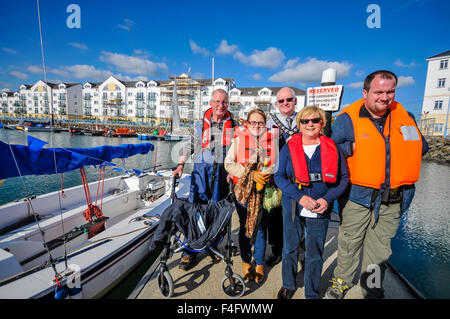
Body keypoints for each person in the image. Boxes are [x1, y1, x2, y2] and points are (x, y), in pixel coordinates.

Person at [326, 70, 429, 299]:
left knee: (380, 249)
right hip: (357, 195)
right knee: (349, 243)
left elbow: (420, 148)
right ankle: (342, 281)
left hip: (394, 197)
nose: (385, 97)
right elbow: (329, 151)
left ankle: (371, 287)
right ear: (365, 93)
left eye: (390, 91)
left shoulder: (405, 116)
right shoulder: (347, 118)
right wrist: (350, 150)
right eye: (379, 92)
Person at [274, 106, 349, 299]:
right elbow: (279, 177)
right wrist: (300, 197)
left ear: (322, 124)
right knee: (289, 247)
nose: (310, 125)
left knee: (314, 252)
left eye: (315, 120)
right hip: (293, 205)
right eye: (305, 121)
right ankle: (288, 284)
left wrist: (327, 199)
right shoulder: (288, 148)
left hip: (320, 207)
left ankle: (312, 292)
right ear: (299, 124)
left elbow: (343, 179)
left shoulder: (333, 147)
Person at [172, 88, 237, 271]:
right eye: (217, 102)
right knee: (195, 209)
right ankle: (190, 249)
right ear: (210, 103)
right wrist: (180, 164)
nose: (220, 105)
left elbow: (239, 149)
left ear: (228, 104)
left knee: (216, 209)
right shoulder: (200, 124)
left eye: (224, 102)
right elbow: (190, 145)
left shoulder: (234, 125)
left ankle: (212, 243)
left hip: (222, 174)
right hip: (201, 172)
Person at [225, 109, 277, 284]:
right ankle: (246, 261)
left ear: (265, 124)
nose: (257, 126)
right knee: (245, 227)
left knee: (262, 228)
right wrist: (250, 174)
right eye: (253, 122)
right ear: (247, 124)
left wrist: (266, 172)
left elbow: (276, 164)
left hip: (265, 193)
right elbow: (228, 163)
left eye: (260, 122)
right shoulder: (239, 139)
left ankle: (260, 263)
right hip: (244, 194)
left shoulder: (272, 140)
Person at [264, 87, 299, 267]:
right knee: (275, 214)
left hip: (301, 175)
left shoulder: (304, 120)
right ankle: (277, 249)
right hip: (277, 175)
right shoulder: (269, 123)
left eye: (289, 100)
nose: (285, 103)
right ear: (276, 104)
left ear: (295, 101)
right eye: (281, 101)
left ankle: (299, 249)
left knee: (299, 214)